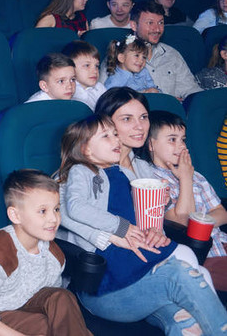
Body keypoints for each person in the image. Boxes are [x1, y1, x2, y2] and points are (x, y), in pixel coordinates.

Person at [56, 115, 224, 333]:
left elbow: (142, 219)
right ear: (86, 150)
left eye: (115, 134)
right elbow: (74, 208)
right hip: (106, 283)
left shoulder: (125, 173)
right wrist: (121, 228)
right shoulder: (82, 171)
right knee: (181, 274)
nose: (116, 140)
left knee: (185, 323)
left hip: (141, 274)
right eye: (106, 136)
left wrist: (158, 211)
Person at [0, 170, 91, 336]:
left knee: (62, 297)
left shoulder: (54, 254)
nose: (54, 219)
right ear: (15, 215)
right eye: (42, 211)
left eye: (56, 209)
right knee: (48, 328)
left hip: (29, 307)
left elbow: (54, 304)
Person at [143, 111, 227, 290]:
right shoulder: (151, 179)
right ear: (151, 144)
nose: (181, 146)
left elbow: (221, 213)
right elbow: (181, 221)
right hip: (202, 256)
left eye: (183, 139)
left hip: (222, 244)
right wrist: (185, 179)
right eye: (172, 139)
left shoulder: (195, 175)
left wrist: (199, 223)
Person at [125, 1, 201, 100]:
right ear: (134, 25)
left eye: (161, 22)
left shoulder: (171, 54)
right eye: (150, 23)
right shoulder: (119, 55)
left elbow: (191, 90)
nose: (157, 29)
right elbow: (109, 97)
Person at [93, 87, 156, 180]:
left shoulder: (143, 167)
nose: (139, 126)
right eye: (127, 119)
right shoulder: (90, 170)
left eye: (143, 117)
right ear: (105, 123)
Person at [62, 40, 106, 110]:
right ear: (70, 67)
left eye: (96, 66)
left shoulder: (100, 88)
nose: (94, 71)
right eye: (87, 65)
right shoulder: (68, 89)